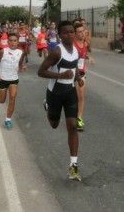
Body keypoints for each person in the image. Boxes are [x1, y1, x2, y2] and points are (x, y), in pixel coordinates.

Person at [37, 20, 83, 181]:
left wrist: (77, 78)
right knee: (54, 124)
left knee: (72, 126)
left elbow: (74, 66)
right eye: (66, 32)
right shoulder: (56, 52)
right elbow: (41, 72)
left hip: (70, 92)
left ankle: (74, 166)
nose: (70, 34)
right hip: (55, 93)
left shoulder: (76, 50)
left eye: (72, 32)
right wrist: (60, 76)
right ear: (60, 35)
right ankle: (47, 106)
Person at [0, 33, 26, 130]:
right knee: (1, 101)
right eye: (11, 40)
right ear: (8, 42)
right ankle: (0, 90)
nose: (13, 42)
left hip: (14, 79)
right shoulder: (3, 51)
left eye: (15, 40)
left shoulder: (21, 52)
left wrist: (21, 67)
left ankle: (8, 119)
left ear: (17, 42)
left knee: (12, 98)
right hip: (3, 78)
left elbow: (20, 62)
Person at [73, 22, 94, 132]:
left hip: (81, 73)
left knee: (81, 96)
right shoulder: (72, 44)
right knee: (66, 95)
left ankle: (79, 119)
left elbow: (83, 54)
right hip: (70, 73)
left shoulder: (85, 44)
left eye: (83, 31)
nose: (82, 34)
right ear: (75, 34)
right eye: (79, 32)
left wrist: (88, 57)